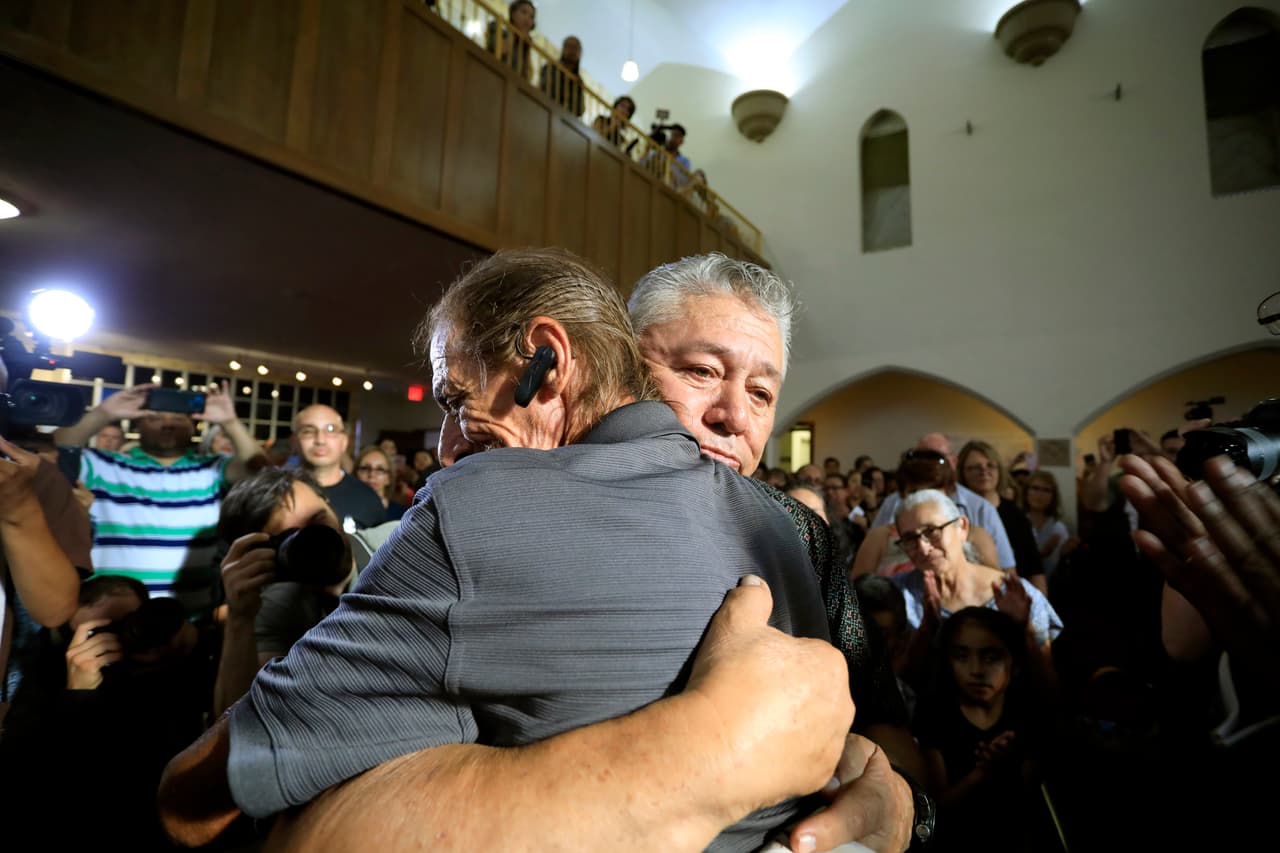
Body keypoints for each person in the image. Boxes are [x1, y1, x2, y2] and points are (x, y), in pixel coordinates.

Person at [158, 249, 913, 852]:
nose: (450, 446)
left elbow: (197, 804)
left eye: (456, 400)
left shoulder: (479, 504)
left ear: (551, 361)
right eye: (700, 371)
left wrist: (890, 802)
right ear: (632, 363)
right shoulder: (779, 527)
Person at [52, 381, 264, 614]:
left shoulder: (212, 469)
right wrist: (104, 413)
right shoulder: (105, 464)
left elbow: (260, 472)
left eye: (179, 419)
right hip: (114, 615)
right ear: (137, 424)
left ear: (193, 426)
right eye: (155, 418)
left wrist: (230, 422)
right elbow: (52, 450)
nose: (167, 425)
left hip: (192, 618)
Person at [890, 489, 1061, 693]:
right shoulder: (897, 595)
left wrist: (1024, 630)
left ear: (961, 527)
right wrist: (926, 630)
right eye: (910, 539)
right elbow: (890, 683)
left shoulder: (1015, 594)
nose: (924, 548)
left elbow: (1048, 684)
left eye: (931, 531)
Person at [913, 607, 1052, 852]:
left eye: (991, 657)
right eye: (962, 656)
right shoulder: (934, 715)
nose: (976, 670)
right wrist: (984, 772)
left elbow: (1033, 803)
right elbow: (934, 808)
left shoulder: (1026, 714)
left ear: (1015, 663)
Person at [876, 438, 1017, 572]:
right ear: (902, 494)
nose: (923, 500)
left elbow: (1001, 580)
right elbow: (853, 587)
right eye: (914, 492)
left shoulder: (975, 536)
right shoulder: (881, 537)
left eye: (932, 492)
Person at [955, 440, 1046, 593]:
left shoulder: (1016, 515)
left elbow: (1034, 569)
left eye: (990, 465)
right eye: (975, 467)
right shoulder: (954, 511)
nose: (984, 471)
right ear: (962, 473)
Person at [292, 404, 385, 529]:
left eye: (330, 430)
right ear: (296, 441)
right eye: (308, 431)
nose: (320, 440)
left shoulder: (368, 499)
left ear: (344, 442)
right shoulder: (276, 494)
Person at [1019, 470, 1069, 579]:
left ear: (1053, 496)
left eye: (1046, 490)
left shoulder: (1058, 528)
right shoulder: (1017, 523)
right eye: (1035, 488)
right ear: (1026, 491)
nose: (1040, 495)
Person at [354, 445, 406, 522]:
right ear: (356, 474)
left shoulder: (403, 516)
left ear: (389, 478)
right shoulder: (343, 508)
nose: (372, 475)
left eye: (380, 469)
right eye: (365, 468)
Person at [487, 0, 535, 82]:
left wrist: (527, 49)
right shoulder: (497, 26)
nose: (527, 19)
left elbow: (528, 76)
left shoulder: (523, 45)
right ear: (513, 14)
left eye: (531, 17)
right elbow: (501, 49)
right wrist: (514, 34)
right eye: (523, 12)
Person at [539, 35, 584, 117]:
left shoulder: (578, 81)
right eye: (569, 46)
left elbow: (580, 110)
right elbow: (544, 90)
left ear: (580, 53)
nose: (572, 51)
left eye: (575, 48)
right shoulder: (551, 68)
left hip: (567, 120)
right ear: (563, 49)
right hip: (547, 111)